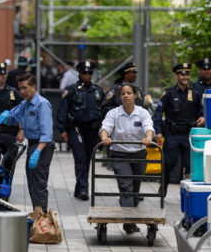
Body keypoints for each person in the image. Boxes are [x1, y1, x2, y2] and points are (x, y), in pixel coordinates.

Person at [100, 83, 155, 234]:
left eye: (129, 93)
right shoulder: (114, 113)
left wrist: (148, 138)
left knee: (135, 189)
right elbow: (105, 127)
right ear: (120, 97)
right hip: (119, 154)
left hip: (138, 154)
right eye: (123, 93)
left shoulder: (142, 113)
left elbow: (149, 127)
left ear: (135, 96)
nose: (126, 95)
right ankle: (129, 220)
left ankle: (129, 221)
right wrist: (105, 137)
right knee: (126, 187)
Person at [0, 73, 54, 213]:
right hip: (33, 145)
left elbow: (47, 133)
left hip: (42, 146)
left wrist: (38, 151)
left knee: (39, 183)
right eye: (19, 89)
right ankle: (38, 213)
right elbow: (12, 117)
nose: (22, 92)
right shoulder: (25, 104)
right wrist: (5, 116)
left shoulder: (42, 104)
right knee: (32, 183)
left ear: (33, 87)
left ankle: (42, 218)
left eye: (25, 88)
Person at [152, 63, 204, 197]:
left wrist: (202, 117)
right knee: (169, 163)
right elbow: (158, 113)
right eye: (182, 74)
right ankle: (163, 186)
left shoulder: (195, 93)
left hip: (188, 134)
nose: (185, 77)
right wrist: (157, 131)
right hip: (172, 134)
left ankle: (186, 193)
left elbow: (201, 111)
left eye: (187, 74)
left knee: (188, 165)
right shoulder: (168, 93)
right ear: (177, 75)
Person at [56, 61, 105, 200]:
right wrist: (62, 130)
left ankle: (79, 188)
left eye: (90, 73)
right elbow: (62, 111)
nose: (87, 75)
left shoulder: (98, 90)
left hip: (93, 130)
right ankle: (84, 188)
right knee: (80, 158)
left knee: (87, 159)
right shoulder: (71, 90)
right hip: (76, 129)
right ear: (79, 73)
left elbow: (103, 111)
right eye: (84, 73)